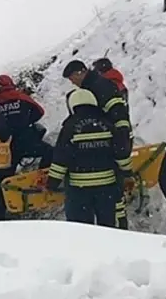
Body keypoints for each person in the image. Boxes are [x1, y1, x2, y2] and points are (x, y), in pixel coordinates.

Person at [45, 88, 127, 228]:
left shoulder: (70, 126)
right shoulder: (108, 124)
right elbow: (121, 152)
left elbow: (61, 158)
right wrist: (127, 172)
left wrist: (52, 183)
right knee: (108, 228)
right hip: (106, 188)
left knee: (81, 230)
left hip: (79, 190)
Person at [62, 59, 133, 177]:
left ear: (80, 72)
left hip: (111, 138)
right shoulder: (94, 86)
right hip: (105, 138)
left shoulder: (100, 86)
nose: (73, 83)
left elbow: (118, 112)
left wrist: (121, 135)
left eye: (72, 78)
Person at [0, 74, 53, 168]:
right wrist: (28, 120)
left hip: (7, 145)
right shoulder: (22, 97)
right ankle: (42, 172)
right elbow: (40, 111)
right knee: (49, 151)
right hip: (27, 139)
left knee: (8, 166)